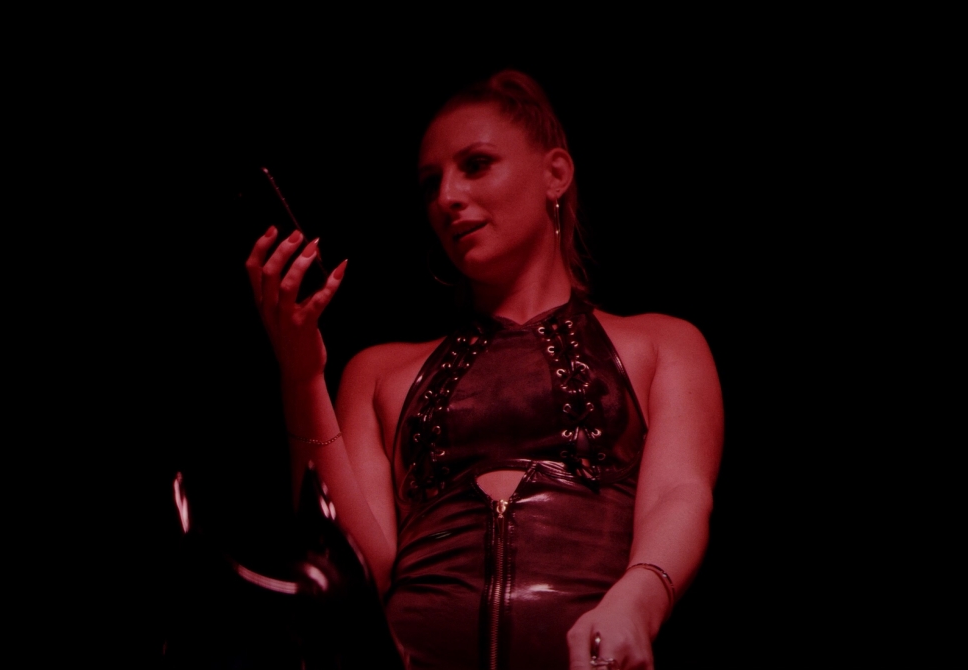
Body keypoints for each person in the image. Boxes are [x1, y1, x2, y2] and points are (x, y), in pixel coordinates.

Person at [244, 69, 723, 670]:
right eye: (430, 183)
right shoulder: (378, 373)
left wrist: (637, 601)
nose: (447, 196)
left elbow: (679, 494)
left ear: (555, 173)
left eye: (476, 165)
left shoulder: (664, 344)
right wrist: (301, 376)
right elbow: (356, 569)